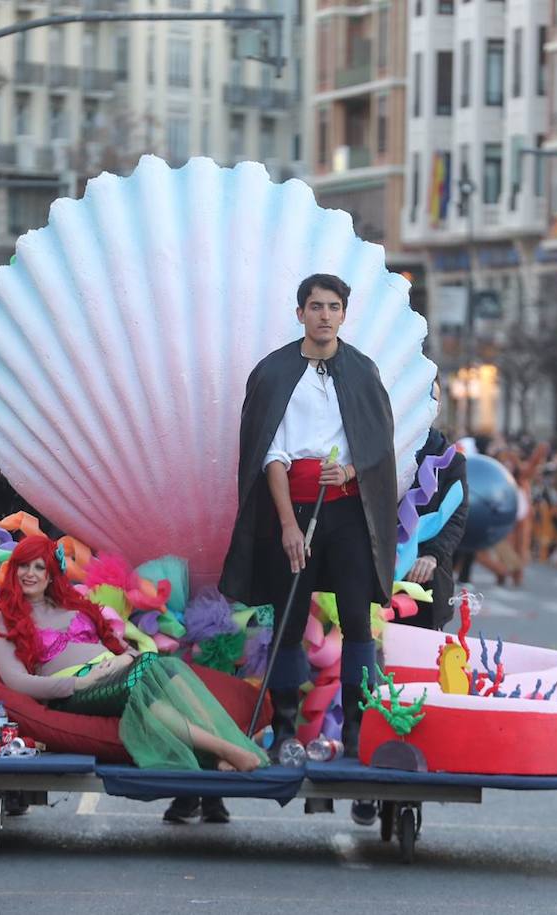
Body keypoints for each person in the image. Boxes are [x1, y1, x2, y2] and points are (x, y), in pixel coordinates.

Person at [219, 272, 396, 826]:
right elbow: (268, 453)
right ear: (300, 313)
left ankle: (357, 731)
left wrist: (353, 469)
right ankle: (288, 730)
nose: (324, 315)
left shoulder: (363, 372)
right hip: (291, 512)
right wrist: (286, 526)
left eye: (334, 307)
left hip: (346, 512)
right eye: (315, 306)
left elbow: (377, 447)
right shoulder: (274, 373)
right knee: (288, 620)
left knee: (357, 622)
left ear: (345, 314)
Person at [0, 536, 266, 775]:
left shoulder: (70, 605)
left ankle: (219, 750)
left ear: (50, 575)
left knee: (167, 668)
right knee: (141, 683)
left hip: (114, 671)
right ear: (14, 569)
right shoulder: (4, 617)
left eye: (40, 567)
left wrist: (124, 658)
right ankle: (225, 748)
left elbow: (119, 646)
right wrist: (78, 684)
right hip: (72, 691)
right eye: (24, 565)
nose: (31, 574)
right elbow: (16, 681)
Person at [398, 385, 469, 631]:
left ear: (438, 407)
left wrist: (432, 556)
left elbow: (456, 518)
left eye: (432, 400)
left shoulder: (452, 461)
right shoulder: (384, 452)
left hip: (426, 582)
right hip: (378, 575)